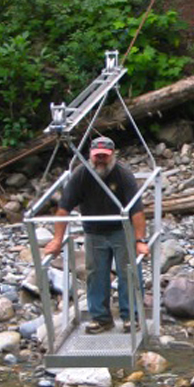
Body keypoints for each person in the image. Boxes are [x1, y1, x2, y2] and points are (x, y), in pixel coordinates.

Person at [43, 136, 149, 333]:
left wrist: (140, 240)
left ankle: (131, 317)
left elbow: (137, 210)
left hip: (121, 230)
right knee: (95, 274)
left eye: (105, 156)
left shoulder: (122, 174)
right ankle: (101, 318)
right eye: (97, 156)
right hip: (93, 231)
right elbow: (63, 208)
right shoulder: (81, 174)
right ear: (90, 155)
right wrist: (57, 240)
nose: (101, 160)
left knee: (129, 272)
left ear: (112, 155)